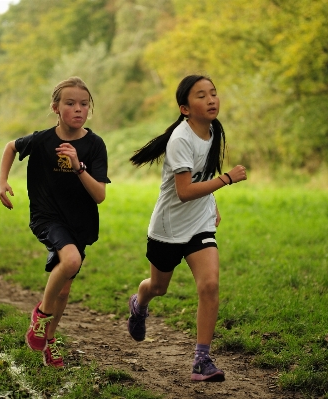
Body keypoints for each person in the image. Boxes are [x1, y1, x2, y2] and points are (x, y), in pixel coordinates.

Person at [126, 75, 247, 382]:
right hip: (168, 228)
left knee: (209, 285)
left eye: (214, 94)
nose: (211, 100)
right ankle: (140, 303)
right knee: (158, 288)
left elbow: (202, 176)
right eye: (201, 96)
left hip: (199, 224)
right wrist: (227, 179)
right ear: (184, 108)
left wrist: (213, 202)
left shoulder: (213, 130)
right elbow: (183, 191)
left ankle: (201, 360)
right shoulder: (180, 139)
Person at [0, 77, 110, 368]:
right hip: (47, 217)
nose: (78, 109)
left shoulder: (95, 145)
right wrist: (2, 181)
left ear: (90, 109)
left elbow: (99, 195)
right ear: (56, 108)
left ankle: (49, 339)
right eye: (70, 103)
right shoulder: (43, 140)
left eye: (84, 104)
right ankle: (41, 314)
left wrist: (78, 167)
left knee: (64, 289)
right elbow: (11, 147)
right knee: (70, 261)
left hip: (80, 223)